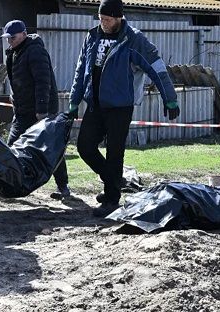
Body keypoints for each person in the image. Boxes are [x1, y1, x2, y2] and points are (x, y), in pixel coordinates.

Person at [68, 0, 180, 217]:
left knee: (114, 152)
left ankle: (111, 199)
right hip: (95, 103)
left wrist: (170, 98)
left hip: (120, 106)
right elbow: (81, 69)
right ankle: (114, 181)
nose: (103, 23)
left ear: (119, 17)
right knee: (85, 147)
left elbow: (156, 67)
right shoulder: (92, 36)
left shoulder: (133, 39)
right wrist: (75, 100)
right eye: (100, 18)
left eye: (107, 19)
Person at [2, 20, 71, 200]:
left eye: (13, 38)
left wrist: (42, 111)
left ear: (24, 34)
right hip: (23, 109)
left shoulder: (35, 50)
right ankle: (9, 186)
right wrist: (13, 97)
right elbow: (14, 79)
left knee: (52, 149)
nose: (10, 41)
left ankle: (63, 186)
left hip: (41, 109)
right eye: (7, 38)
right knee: (11, 147)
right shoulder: (12, 52)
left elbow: (43, 81)